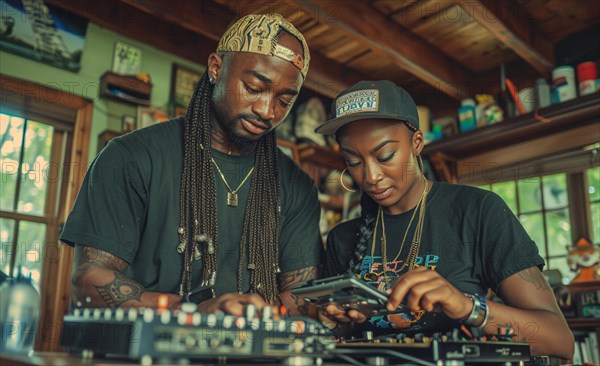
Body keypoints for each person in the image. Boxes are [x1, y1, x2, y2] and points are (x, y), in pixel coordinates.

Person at [60, 13, 322, 317]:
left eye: (284, 100)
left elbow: (302, 297)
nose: (267, 110)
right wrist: (191, 311)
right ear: (216, 68)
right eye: (253, 87)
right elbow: (88, 282)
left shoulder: (298, 187)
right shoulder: (130, 156)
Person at [314, 80, 574, 359]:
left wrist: (465, 306)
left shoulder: (477, 211)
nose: (371, 176)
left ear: (417, 143)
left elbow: (558, 339)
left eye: (386, 155)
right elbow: (334, 343)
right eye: (353, 161)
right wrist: (329, 322)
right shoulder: (342, 238)